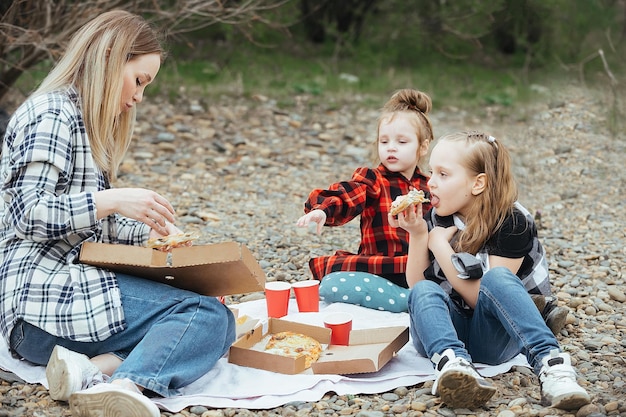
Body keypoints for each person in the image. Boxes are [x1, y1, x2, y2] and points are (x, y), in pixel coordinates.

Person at [0, 10, 234, 417]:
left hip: (59, 300)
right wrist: (112, 199)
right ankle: (130, 387)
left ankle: (87, 371)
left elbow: (88, 225)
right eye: (140, 80)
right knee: (204, 315)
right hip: (38, 302)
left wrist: (151, 235)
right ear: (111, 58)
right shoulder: (52, 114)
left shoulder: (82, 121)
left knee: (206, 310)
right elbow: (27, 213)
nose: (139, 96)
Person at [391, 131, 591, 410]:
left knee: (497, 277)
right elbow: (415, 282)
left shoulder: (511, 222)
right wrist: (417, 233)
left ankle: (552, 365)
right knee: (425, 289)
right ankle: (453, 367)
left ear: (478, 183)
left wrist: (440, 247)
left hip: (493, 337)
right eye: (430, 173)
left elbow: (483, 296)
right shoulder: (437, 216)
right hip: (442, 333)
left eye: (443, 175)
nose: (430, 183)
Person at [296, 89, 433, 313]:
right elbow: (349, 193)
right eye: (384, 141)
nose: (391, 147)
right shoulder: (374, 179)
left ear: (423, 147)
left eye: (402, 141)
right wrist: (323, 210)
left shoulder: (430, 185)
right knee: (333, 284)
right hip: (382, 268)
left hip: (422, 269)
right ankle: (406, 301)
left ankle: (415, 299)